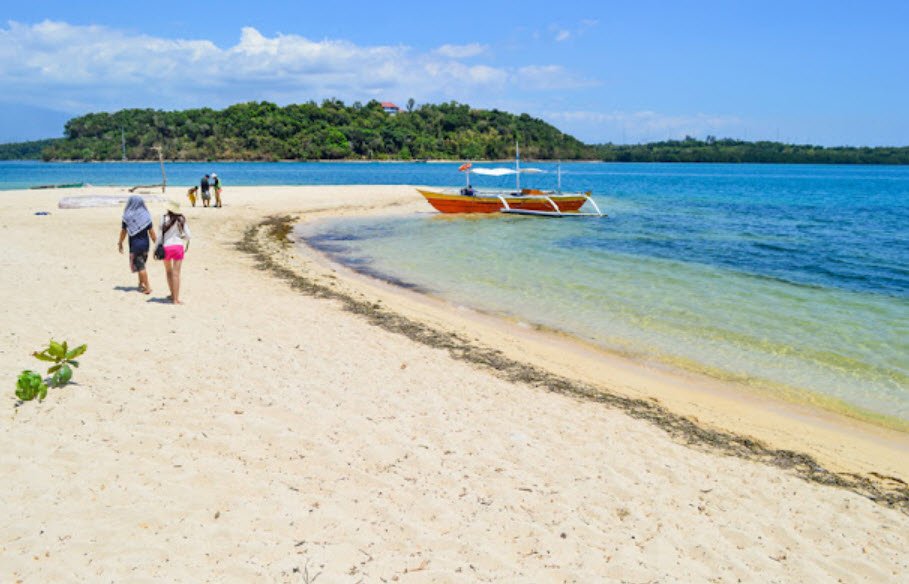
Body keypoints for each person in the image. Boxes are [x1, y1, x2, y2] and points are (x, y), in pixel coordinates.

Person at [118, 195, 157, 294]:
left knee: (141, 267)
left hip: (135, 245)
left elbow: (123, 232)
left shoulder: (127, 216)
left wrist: (120, 242)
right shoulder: (146, 216)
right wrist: (157, 243)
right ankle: (141, 284)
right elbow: (152, 232)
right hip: (145, 245)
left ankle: (148, 287)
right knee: (141, 264)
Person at [160, 200, 192, 304]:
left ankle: (172, 294)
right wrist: (181, 237)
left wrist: (157, 247)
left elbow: (160, 234)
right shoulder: (181, 219)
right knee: (176, 274)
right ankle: (176, 299)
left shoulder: (164, 218)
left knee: (168, 272)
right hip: (178, 246)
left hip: (166, 247)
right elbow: (188, 235)